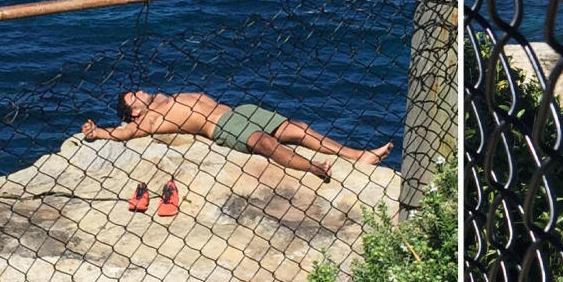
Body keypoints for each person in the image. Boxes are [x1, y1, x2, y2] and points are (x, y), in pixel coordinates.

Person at [81, 91, 393, 182]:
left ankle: (357, 156)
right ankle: (313, 168)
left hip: (238, 111)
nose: (139, 91)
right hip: (221, 126)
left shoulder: (162, 97)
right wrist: (98, 133)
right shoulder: (147, 121)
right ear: (133, 112)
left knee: (298, 128)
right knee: (266, 144)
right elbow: (123, 135)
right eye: (133, 96)